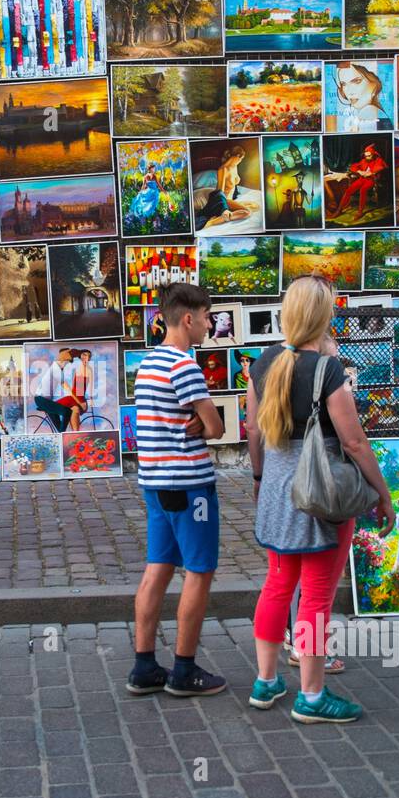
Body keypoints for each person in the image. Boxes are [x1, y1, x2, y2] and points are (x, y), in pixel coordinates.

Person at [244, 276, 394, 722]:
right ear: (323, 317)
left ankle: (266, 681)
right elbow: (355, 443)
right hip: (319, 493)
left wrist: (258, 478)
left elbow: (252, 429)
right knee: (317, 596)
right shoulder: (329, 371)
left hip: (276, 489)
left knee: (276, 585)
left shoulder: (263, 362)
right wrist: (381, 495)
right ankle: (311, 696)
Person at [128, 283, 227, 697]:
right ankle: (184, 670)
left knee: (157, 569)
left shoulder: (148, 364)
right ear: (188, 318)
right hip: (190, 485)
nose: (210, 325)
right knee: (200, 572)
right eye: (206, 318)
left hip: (154, 483)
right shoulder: (184, 367)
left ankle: (144, 666)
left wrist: (197, 421)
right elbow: (218, 427)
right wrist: (203, 423)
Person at [198, 145, 259, 230]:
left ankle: (228, 213)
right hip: (225, 201)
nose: (240, 161)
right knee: (247, 212)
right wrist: (224, 209)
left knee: (256, 205)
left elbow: (235, 182)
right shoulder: (223, 170)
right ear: (237, 156)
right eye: (241, 159)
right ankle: (215, 220)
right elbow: (220, 192)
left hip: (231, 200)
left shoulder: (235, 166)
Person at [329, 142, 386, 223]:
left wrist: (371, 173)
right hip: (362, 179)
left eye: (369, 155)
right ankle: (339, 210)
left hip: (371, 180)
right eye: (366, 156)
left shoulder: (378, 160)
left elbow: (380, 167)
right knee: (348, 191)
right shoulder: (363, 161)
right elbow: (353, 167)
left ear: (373, 154)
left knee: (363, 190)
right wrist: (359, 171)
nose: (367, 157)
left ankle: (360, 211)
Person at [30, 347, 83, 432]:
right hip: (42, 400)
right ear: (62, 361)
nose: (66, 365)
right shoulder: (56, 368)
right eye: (66, 363)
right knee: (67, 412)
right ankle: (63, 435)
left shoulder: (56, 368)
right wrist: (78, 401)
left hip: (45, 401)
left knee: (59, 428)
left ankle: (61, 434)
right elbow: (66, 386)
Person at [331, 60, 391, 132]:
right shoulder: (376, 112)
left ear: (374, 84)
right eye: (344, 84)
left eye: (357, 81)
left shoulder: (368, 110)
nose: (349, 91)